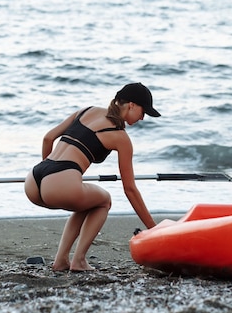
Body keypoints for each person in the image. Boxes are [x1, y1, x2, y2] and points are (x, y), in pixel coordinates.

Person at [24, 82, 161, 272]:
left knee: (87, 202)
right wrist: (153, 228)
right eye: (143, 111)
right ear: (131, 105)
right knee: (104, 201)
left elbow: (48, 138)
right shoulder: (120, 137)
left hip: (34, 179)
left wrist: (50, 177)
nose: (143, 117)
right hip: (60, 182)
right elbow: (129, 189)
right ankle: (78, 260)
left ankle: (61, 260)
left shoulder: (87, 111)